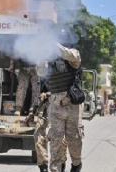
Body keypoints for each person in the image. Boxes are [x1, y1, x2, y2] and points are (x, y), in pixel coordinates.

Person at [47, 42, 83, 172]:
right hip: (56, 102)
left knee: (73, 138)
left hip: (71, 102)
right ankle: (56, 167)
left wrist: (51, 41)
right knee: (56, 138)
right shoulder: (49, 58)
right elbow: (41, 72)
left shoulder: (73, 55)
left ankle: (76, 164)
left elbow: (69, 54)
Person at [31, 78, 66, 172]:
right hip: (44, 109)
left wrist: (49, 94)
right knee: (38, 138)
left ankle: (60, 164)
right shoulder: (45, 72)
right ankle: (43, 167)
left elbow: (67, 92)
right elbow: (38, 95)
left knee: (61, 140)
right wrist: (32, 111)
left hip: (60, 108)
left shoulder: (64, 72)